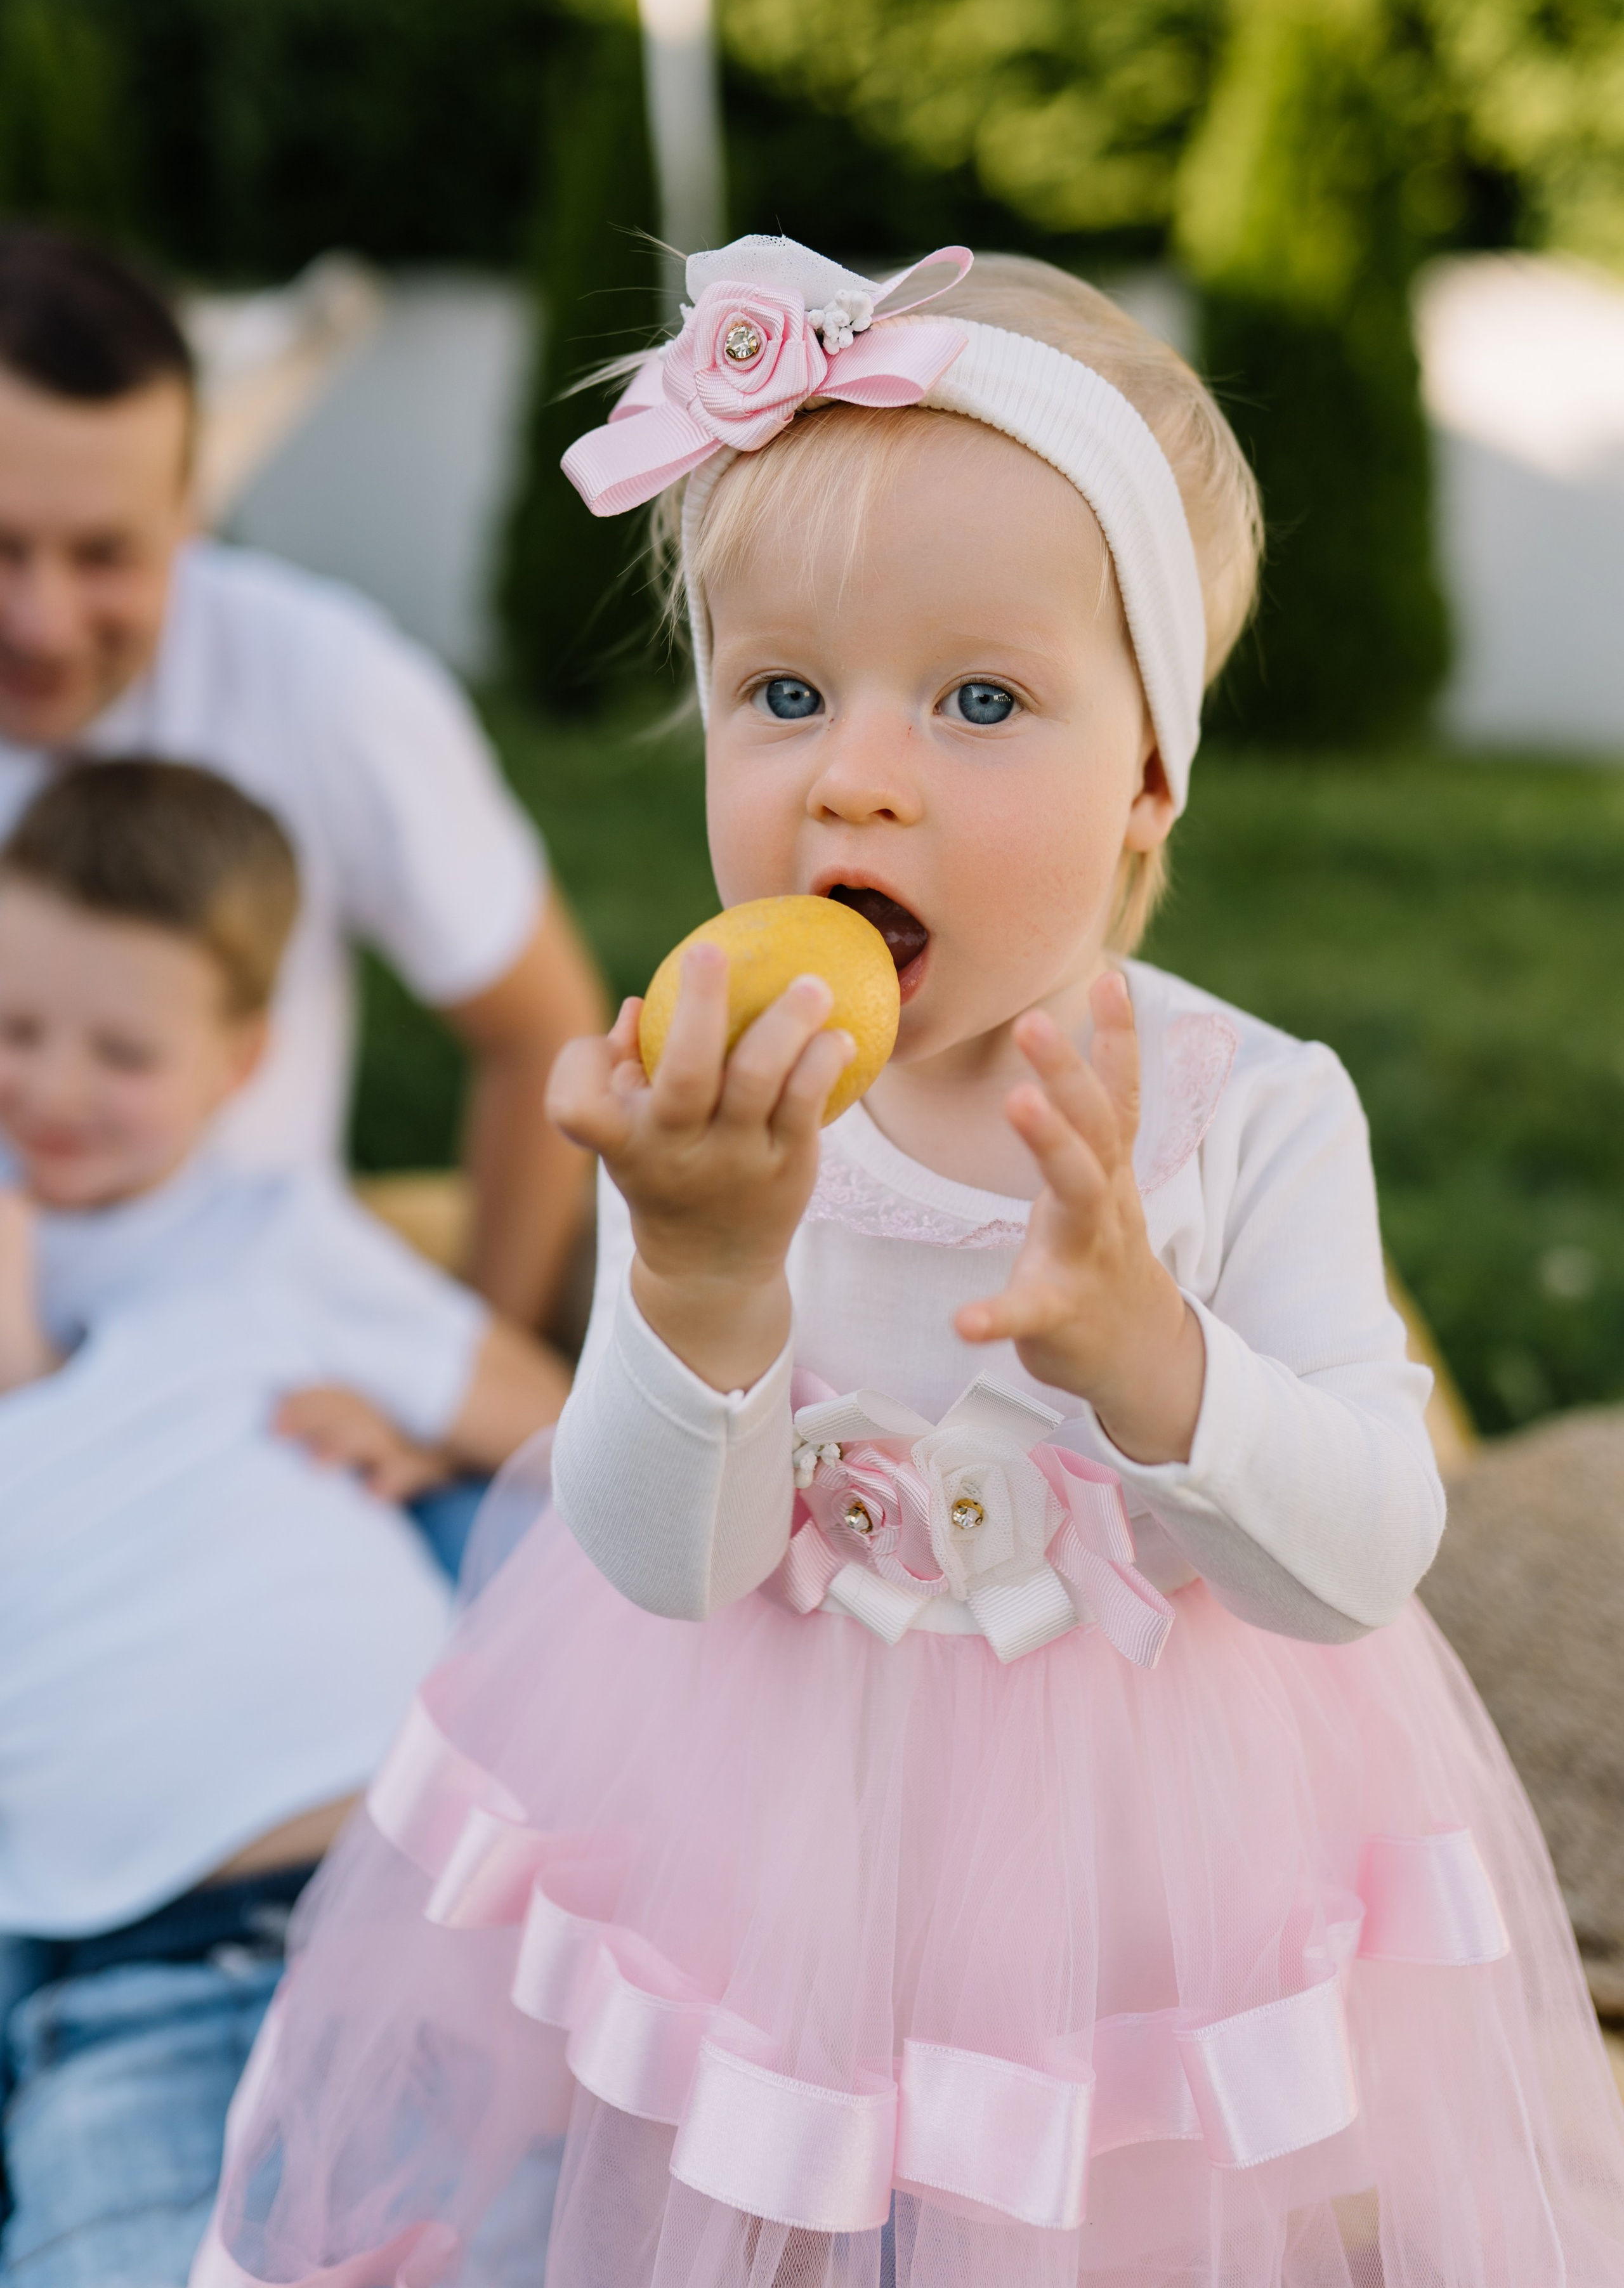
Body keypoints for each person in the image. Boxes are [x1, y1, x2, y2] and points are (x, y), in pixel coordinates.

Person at [196, 240, 1624, 2288]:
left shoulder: (1248, 1110)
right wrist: (698, 1283)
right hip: (775, 1827)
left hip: (1139, 1864)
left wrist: (1154, 1356)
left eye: (978, 698)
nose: (853, 771)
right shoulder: (701, 1103)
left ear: (1150, 778)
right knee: (743, 2181)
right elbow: (658, 1563)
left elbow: (1368, 1556)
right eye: (782, 693)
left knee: (1103, 2210)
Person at [0, 760, 570, 2287]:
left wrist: (420, 1434)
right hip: (134, 1984)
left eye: (120, 1049)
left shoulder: (270, 1243)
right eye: (13, 1030)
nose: (51, 1090)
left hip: (426, 1922)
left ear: (240, 1061)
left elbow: (595, 1447)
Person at [0, 225, 604, 1333]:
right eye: (0, 547)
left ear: (190, 512)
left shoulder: (331, 688)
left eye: (104, 555)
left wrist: (465, 1377)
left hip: (253, 1369)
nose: (40, 620)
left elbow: (543, 1036)